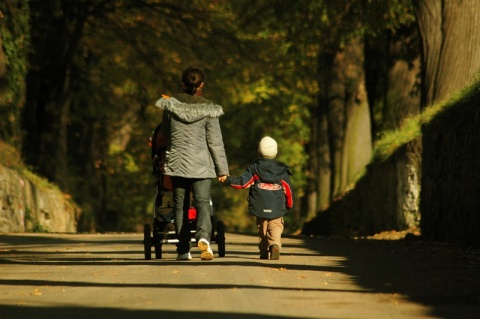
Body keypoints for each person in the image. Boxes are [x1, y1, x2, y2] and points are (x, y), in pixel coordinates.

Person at [155, 66, 229, 261]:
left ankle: (183, 249)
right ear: (202, 84)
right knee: (203, 203)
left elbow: (164, 132)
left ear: (182, 83)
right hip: (202, 164)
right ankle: (204, 238)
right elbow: (215, 141)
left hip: (179, 162)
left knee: (180, 206)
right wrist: (222, 169)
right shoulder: (209, 109)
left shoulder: (170, 105)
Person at [221, 136, 293, 260]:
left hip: (260, 205)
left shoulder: (254, 168)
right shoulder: (282, 171)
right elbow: (288, 190)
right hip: (277, 206)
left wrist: (227, 179)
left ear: (259, 151)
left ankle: (264, 250)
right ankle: (274, 244)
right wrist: (289, 204)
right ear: (275, 152)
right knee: (275, 225)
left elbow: (242, 183)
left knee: (262, 227)